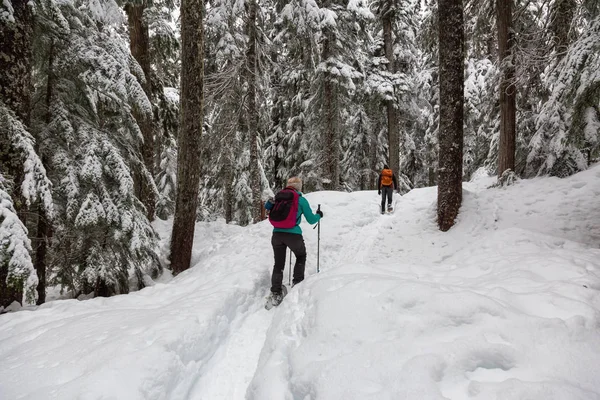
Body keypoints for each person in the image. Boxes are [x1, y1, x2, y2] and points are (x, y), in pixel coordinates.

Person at [264, 177, 322, 306]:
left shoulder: (278, 197)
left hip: (277, 234)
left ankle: (276, 293)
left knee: (278, 264)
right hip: (293, 235)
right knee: (301, 256)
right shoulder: (300, 200)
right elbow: (312, 220)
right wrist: (319, 215)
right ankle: (298, 284)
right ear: (299, 187)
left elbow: (267, 208)